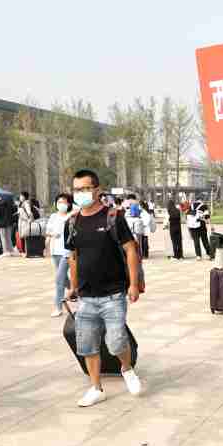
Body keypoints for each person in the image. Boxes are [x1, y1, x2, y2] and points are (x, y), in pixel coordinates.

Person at [65, 169, 142, 403]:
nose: (80, 193)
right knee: (87, 345)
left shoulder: (113, 217)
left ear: (97, 190)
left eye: (85, 189)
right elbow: (73, 256)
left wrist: (134, 284)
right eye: (76, 189)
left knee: (116, 342)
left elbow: (130, 249)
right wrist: (73, 286)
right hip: (86, 296)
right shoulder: (72, 222)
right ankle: (96, 388)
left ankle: (126, 368)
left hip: (113, 294)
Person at [47, 193, 76, 317]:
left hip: (67, 252)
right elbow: (48, 231)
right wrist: (50, 238)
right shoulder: (53, 216)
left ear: (69, 204)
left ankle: (58, 307)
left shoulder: (72, 216)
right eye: (59, 202)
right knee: (64, 279)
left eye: (64, 202)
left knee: (59, 279)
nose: (61, 204)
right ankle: (75, 291)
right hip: (55, 250)